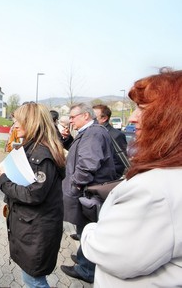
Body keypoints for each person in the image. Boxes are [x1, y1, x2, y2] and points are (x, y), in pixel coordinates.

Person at [81, 70, 182, 287]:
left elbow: (109, 251)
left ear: (171, 117)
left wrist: (91, 229)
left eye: (142, 109)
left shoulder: (156, 190)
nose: (132, 118)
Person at [0, 102, 66, 288]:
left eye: (19, 120)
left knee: (34, 282)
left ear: (33, 122)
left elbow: (33, 195)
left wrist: (3, 179)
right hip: (30, 226)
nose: (15, 125)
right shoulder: (31, 147)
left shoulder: (40, 154)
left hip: (36, 230)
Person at [60, 103, 116, 284]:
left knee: (87, 229)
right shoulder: (89, 132)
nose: (70, 120)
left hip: (88, 193)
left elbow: (88, 164)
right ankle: (83, 258)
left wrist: (75, 185)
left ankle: (86, 269)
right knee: (83, 228)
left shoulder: (93, 133)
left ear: (85, 116)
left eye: (73, 116)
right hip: (87, 192)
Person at [92, 104, 128, 177]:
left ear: (104, 118)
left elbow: (120, 162)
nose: (90, 120)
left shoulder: (116, 135)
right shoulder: (91, 133)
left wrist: (107, 178)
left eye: (93, 118)